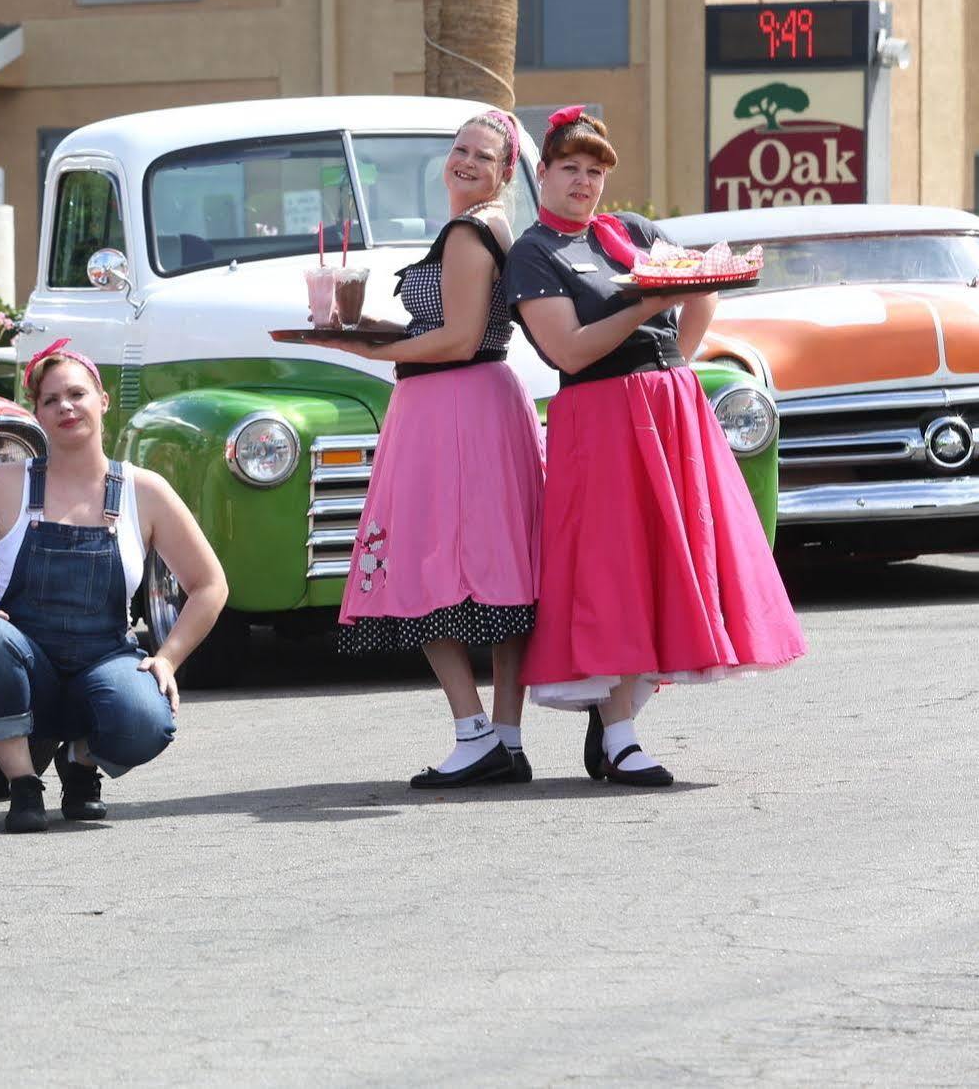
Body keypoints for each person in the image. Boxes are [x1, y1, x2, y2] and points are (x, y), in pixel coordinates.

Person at [502, 107, 806, 786]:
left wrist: (674, 362)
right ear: (541, 174)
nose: (582, 183)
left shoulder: (630, 231)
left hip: (667, 409)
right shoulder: (532, 253)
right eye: (569, 169)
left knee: (669, 564)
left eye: (594, 171)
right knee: (615, 570)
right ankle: (618, 734)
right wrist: (644, 307)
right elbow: (569, 352)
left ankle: (618, 721)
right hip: (599, 416)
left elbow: (703, 288)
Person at [311, 110, 545, 788]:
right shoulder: (488, 226)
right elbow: (454, 329)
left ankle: (474, 732)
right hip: (477, 402)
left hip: (451, 405)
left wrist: (361, 345)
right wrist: (385, 335)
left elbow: (460, 338)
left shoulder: (471, 231)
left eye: (483, 155)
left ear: (505, 171)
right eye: (459, 150)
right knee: (501, 571)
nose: (466, 162)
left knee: (416, 560)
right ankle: (503, 735)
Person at [0, 342, 228, 832]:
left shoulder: (143, 490)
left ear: (103, 401)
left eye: (76, 394)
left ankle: (81, 762)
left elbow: (210, 584)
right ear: (37, 414)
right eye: (51, 400)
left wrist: (169, 658)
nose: (65, 407)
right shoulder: (5, 485)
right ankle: (24, 784)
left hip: (104, 661)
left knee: (147, 720)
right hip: (25, 660)